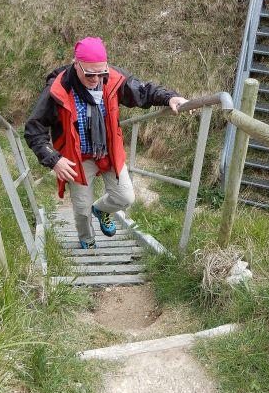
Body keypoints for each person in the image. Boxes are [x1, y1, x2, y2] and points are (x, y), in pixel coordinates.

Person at [24, 37, 188, 248]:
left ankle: (101, 209)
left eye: (101, 72)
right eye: (90, 73)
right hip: (78, 158)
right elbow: (33, 129)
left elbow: (143, 91)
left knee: (126, 198)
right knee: (81, 211)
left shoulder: (112, 78)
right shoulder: (58, 89)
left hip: (109, 152)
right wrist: (54, 159)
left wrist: (169, 97)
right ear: (76, 64)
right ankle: (88, 241)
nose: (96, 78)